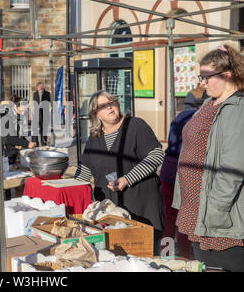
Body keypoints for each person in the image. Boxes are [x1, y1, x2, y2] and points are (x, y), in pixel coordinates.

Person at [172, 44, 244, 272]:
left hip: (219, 217)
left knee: (222, 267)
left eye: (206, 77)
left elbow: (233, 167)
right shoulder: (208, 103)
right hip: (197, 211)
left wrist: (216, 211)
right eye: (200, 76)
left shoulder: (238, 109)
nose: (201, 83)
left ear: (227, 75)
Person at [74, 90, 165, 254]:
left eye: (112, 102)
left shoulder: (136, 125)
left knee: (145, 260)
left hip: (141, 208)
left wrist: (128, 179)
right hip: (112, 214)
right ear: (95, 113)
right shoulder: (94, 137)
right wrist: (70, 187)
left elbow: (156, 154)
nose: (110, 107)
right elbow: (85, 168)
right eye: (103, 106)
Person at [159, 95, 206, 258]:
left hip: (167, 170)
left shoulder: (182, 115)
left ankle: (165, 257)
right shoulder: (203, 118)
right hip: (185, 171)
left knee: (171, 219)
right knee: (185, 221)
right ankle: (184, 260)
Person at [1, 95, 36, 166]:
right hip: (4, 153)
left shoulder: (16, 116)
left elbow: (18, 135)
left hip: (12, 151)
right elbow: (11, 138)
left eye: (25, 111)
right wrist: (27, 144)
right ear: (15, 107)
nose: (23, 113)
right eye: (21, 110)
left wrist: (28, 142)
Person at [32, 82, 51, 147]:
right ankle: (35, 143)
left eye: (42, 86)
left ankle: (44, 143)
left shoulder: (47, 93)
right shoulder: (34, 94)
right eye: (40, 87)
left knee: (44, 129)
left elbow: (49, 103)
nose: (41, 88)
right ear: (37, 87)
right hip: (36, 114)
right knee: (35, 129)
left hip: (44, 114)